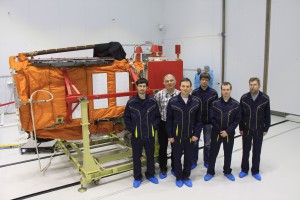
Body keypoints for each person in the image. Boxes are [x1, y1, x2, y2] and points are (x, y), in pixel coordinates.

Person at [124, 78, 161, 188]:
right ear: (137, 87)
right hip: (137, 136)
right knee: (136, 157)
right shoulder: (131, 102)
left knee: (150, 156)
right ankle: (137, 177)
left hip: (149, 135)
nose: (142, 88)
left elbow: (157, 117)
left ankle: (150, 174)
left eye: (144, 86)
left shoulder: (152, 102)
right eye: (140, 86)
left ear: (147, 87)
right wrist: (132, 129)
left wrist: (153, 127)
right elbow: (126, 117)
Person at [166, 78, 202, 188]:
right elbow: (169, 120)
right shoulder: (173, 102)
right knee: (176, 158)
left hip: (190, 136)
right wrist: (170, 135)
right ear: (180, 87)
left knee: (188, 157)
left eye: (187, 86)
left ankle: (186, 176)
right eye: (183, 86)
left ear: (190, 88)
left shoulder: (196, 102)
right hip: (176, 137)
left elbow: (199, 120)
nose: (185, 88)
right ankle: (178, 177)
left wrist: (196, 134)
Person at [204, 82, 241, 182]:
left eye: (227, 89)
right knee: (213, 153)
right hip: (216, 132)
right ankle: (210, 172)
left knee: (228, 153)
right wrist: (221, 130)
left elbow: (237, 120)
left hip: (229, 134)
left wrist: (228, 131)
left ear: (230, 90)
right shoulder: (215, 103)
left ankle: (227, 171)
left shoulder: (236, 104)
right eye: (224, 89)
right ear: (221, 90)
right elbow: (212, 118)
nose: (225, 91)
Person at [239, 77, 270, 181]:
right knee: (246, 151)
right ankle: (244, 170)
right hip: (246, 130)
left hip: (259, 130)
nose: (252, 87)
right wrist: (241, 127)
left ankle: (255, 171)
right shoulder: (244, 98)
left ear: (259, 85)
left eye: (254, 85)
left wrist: (266, 128)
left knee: (257, 151)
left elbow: (267, 115)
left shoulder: (265, 98)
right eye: (251, 85)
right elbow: (241, 115)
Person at [154, 74, 180, 179]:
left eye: (171, 80)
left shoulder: (180, 94)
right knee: (163, 147)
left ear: (175, 81)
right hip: (163, 124)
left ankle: (175, 167)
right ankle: (163, 168)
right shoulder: (158, 95)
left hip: (176, 125)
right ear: (164, 83)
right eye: (167, 81)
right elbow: (156, 111)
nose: (169, 82)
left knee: (176, 147)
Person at [191, 73, 218, 169]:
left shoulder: (213, 93)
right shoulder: (194, 93)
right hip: (197, 122)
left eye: (206, 80)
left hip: (208, 123)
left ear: (209, 81)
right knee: (194, 142)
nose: (204, 81)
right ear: (200, 80)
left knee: (207, 143)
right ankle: (193, 161)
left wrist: (213, 120)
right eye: (202, 79)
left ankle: (207, 161)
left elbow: (215, 108)